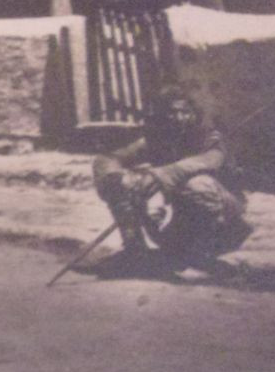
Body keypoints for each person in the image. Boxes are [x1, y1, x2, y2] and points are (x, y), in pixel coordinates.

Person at [92, 84, 252, 265]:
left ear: (193, 112)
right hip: (179, 216)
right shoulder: (159, 137)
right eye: (171, 113)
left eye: (185, 112)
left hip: (226, 215)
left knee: (197, 185)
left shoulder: (207, 135)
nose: (179, 118)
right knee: (125, 182)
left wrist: (161, 175)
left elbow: (212, 159)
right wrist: (116, 181)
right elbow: (108, 158)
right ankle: (135, 251)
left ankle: (203, 253)